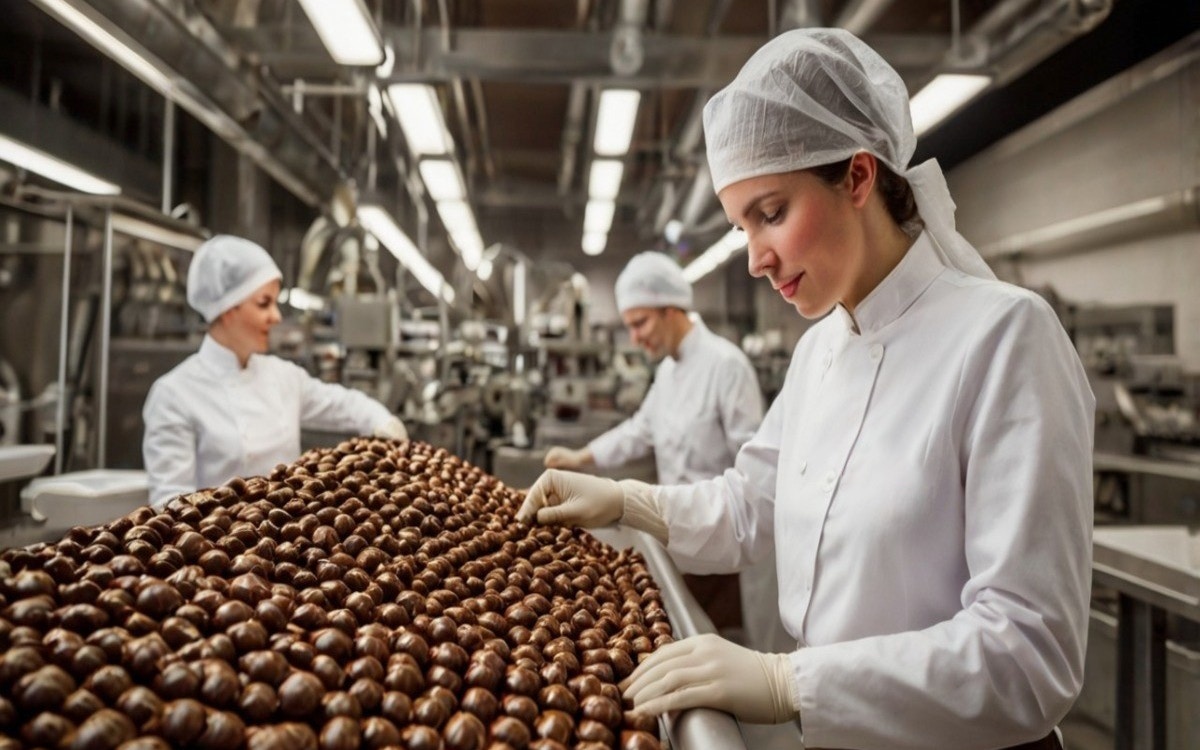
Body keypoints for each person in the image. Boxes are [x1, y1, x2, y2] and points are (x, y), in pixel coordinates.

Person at [518, 28, 1094, 750]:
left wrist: (791, 683)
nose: (755, 258)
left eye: (771, 213)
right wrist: (629, 501)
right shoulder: (819, 349)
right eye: (740, 225)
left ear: (858, 177)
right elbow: (752, 503)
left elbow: (1029, 654)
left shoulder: (1005, 338)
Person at [543, 252, 791, 652]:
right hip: (677, 531)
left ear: (672, 309)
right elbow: (642, 428)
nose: (636, 338)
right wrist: (581, 457)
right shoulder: (668, 370)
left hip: (722, 545)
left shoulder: (727, 367)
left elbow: (757, 471)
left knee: (720, 643)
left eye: (640, 323)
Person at [143, 234, 407, 506]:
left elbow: (344, 405)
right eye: (264, 303)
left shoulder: (283, 376)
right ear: (227, 309)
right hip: (214, 545)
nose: (277, 316)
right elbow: (169, 505)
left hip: (289, 539)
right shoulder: (174, 395)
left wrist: (381, 420)